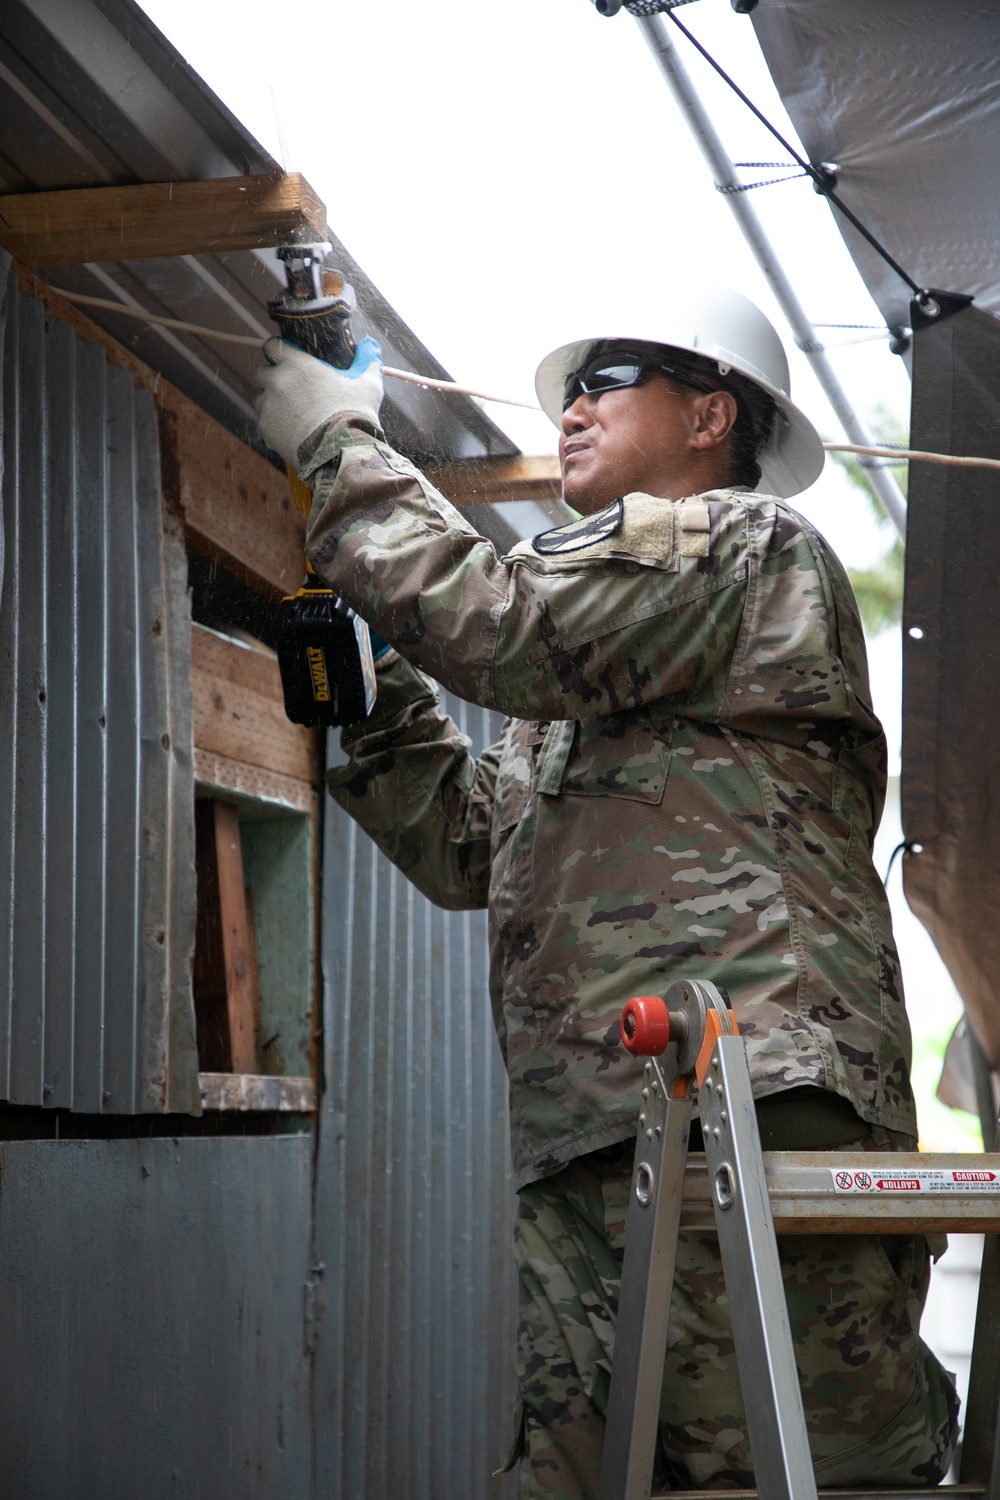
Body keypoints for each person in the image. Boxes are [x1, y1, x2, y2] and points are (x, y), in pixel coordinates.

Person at [256, 286, 958, 1495]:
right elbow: (473, 850)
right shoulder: (612, 661)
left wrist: (341, 444)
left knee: (787, 1468)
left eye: (608, 376)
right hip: (604, 1132)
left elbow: (501, 631)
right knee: (585, 1475)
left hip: (748, 1111)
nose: (572, 406)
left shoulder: (736, 542)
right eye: (573, 385)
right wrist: (380, 707)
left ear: (707, 417)